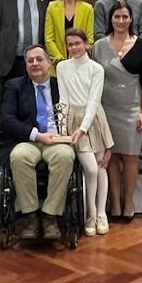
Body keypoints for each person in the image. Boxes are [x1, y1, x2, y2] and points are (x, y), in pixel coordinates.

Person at [1, 45, 77, 240]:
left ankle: (50, 217)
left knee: (66, 156)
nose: (35, 63)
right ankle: (31, 216)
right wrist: (36, 135)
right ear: (25, 64)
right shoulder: (14, 86)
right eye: (30, 60)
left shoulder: (62, 84)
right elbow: (7, 119)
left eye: (39, 59)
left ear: (49, 62)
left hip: (58, 140)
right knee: (18, 157)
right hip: (29, 139)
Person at [92, 2, 142, 222]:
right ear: (110, 19)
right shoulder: (98, 46)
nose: (120, 21)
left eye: (124, 17)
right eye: (116, 16)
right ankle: (114, 203)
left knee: (129, 158)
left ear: (131, 19)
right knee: (111, 157)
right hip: (106, 108)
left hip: (132, 108)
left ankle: (129, 203)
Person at [57, 29, 114, 235]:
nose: (73, 48)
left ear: (86, 43)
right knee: (89, 168)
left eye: (77, 43)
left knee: (100, 167)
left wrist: (83, 128)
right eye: (70, 44)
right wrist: (63, 126)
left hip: (94, 119)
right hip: (73, 118)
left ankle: (101, 214)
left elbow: (94, 101)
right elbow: (63, 98)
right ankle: (89, 214)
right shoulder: (62, 66)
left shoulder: (96, 68)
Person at [45, 0, 94, 75]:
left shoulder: (88, 9)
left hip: (80, 65)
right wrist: (61, 60)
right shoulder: (52, 7)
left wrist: (75, 57)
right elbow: (49, 39)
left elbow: (89, 39)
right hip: (57, 66)